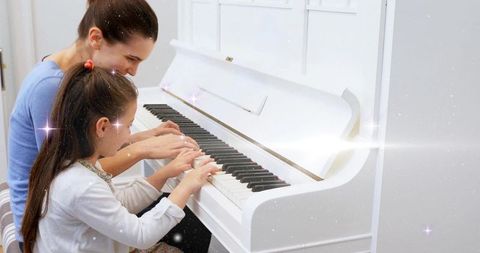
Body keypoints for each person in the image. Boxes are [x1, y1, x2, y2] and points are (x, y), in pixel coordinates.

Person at [7, 0, 199, 247]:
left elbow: (83, 144)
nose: (134, 71)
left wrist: (137, 137)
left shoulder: (67, 75)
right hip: (38, 230)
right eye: (131, 58)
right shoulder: (50, 87)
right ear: (95, 38)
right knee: (186, 226)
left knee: (174, 213)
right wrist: (142, 150)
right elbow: (68, 168)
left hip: (58, 215)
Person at [21, 62, 219, 253]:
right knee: (189, 222)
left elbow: (118, 203)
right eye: (128, 125)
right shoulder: (80, 185)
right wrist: (186, 186)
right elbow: (142, 235)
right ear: (102, 127)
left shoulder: (73, 163)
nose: (130, 135)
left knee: (182, 216)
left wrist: (164, 174)